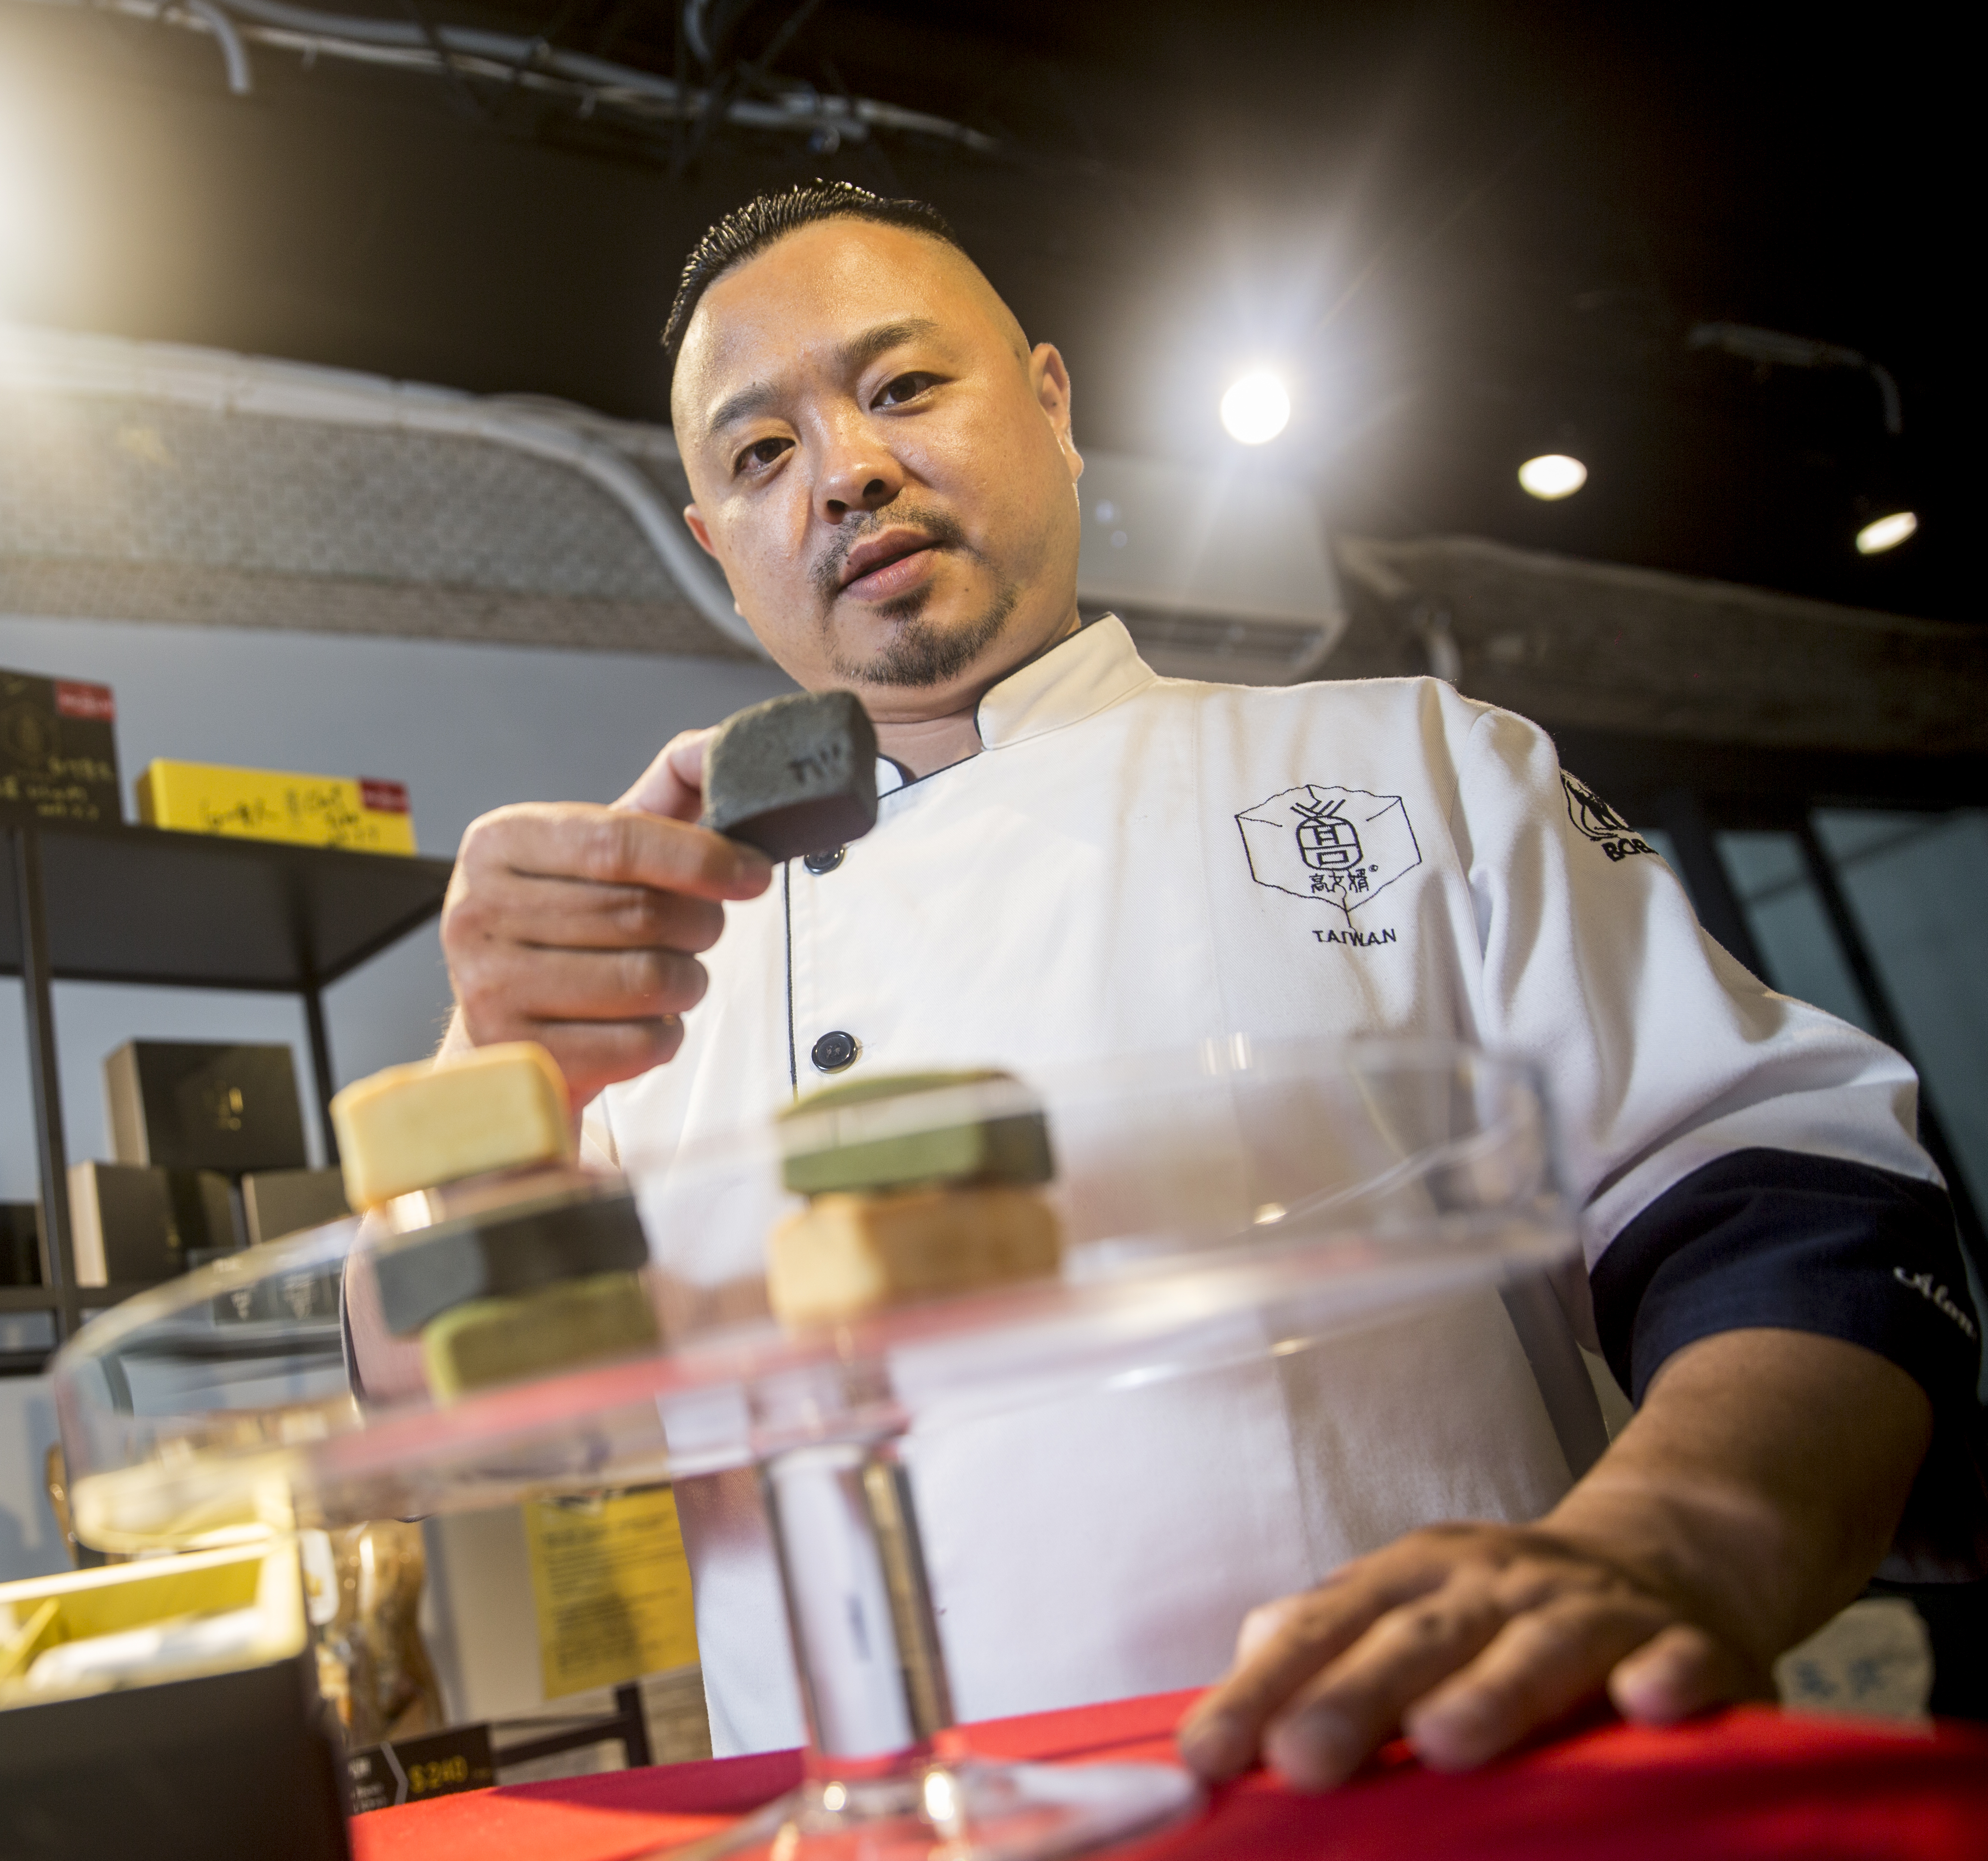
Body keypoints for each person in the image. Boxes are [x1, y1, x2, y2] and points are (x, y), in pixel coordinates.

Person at [432, 181, 1983, 1787]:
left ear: (1052, 405)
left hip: (1397, 1791)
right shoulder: (664, 961)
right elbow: (484, 1424)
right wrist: (497, 1070)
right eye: (762, 455)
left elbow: (1787, 1206)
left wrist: (1668, 1549)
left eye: (902, 387)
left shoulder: (1412, 767)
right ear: (717, 547)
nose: (848, 473)